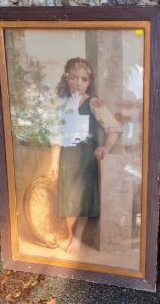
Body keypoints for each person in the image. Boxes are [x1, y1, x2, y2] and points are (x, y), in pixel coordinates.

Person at [49, 57, 122, 253]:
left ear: (89, 82)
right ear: (67, 79)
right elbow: (56, 134)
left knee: (83, 199)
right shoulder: (62, 103)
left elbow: (113, 127)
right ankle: (69, 234)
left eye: (83, 79)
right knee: (67, 199)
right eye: (74, 78)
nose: (78, 83)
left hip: (86, 158)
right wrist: (54, 162)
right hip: (67, 157)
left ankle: (77, 237)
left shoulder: (93, 103)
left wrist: (105, 147)